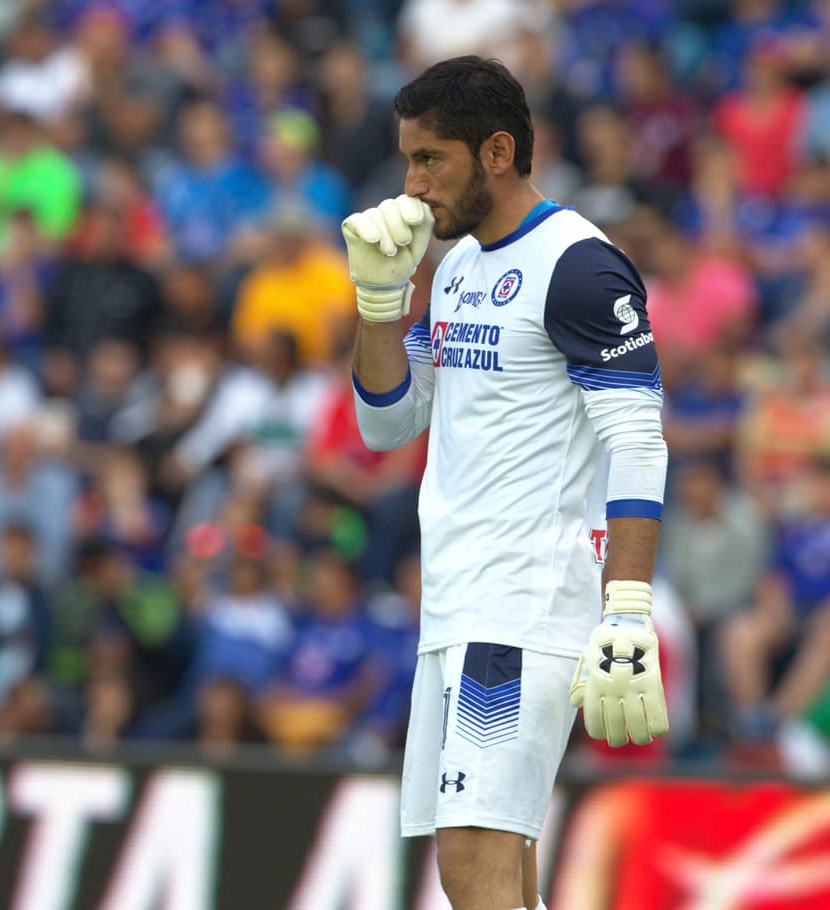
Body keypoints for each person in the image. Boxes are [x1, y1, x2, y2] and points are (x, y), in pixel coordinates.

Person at [345, 57, 669, 910]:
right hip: (458, 601)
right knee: (501, 861)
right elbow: (386, 422)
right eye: (408, 161)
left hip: (523, 601)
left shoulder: (579, 266)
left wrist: (627, 609)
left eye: (430, 160)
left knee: (473, 854)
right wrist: (381, 303)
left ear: (496, 151)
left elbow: (639, 440)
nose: (412, 188)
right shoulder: (453, 267)